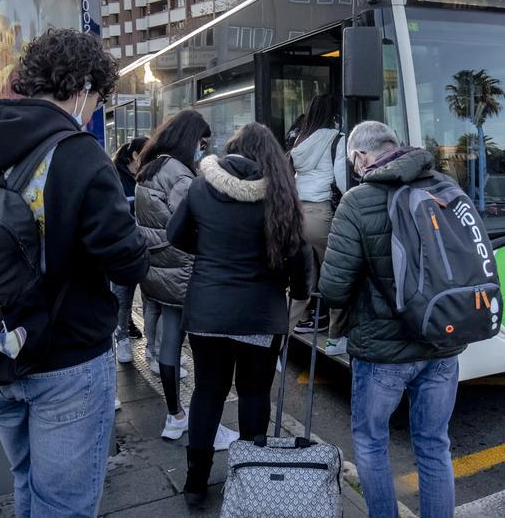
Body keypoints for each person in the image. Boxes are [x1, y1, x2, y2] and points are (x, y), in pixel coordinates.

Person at [0, 28, 149, 517]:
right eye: (96, 99)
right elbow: (126, 260)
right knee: (63, 505)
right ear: (83, 86)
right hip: (66, 364)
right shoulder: (80, 153)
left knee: (26, 483)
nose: (92, 111)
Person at [318, 121, 464, 518]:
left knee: (370, 443)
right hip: (442, 340)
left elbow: (332, 290)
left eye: (352, 160)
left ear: (362, 156)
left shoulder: (357, 201)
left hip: (382, 353)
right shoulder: (446, 187)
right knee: (434, 444)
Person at [167, 122, 311, 508]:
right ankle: (250, 477)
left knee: (208, 392)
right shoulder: (281, 194)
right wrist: (297, 295)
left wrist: (210, 249)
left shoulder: (202, 186)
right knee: (253, 393)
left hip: (207, 314)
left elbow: (174, 234)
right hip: (259, 316)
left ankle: (195, 484)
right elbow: (300, 257)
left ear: (233, 150)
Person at [134, 110, 237, 448]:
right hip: (183, 270)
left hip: (157, 270)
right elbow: (192, 222)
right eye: (201, 143)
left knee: (169, 344)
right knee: (205, 353)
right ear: (189, 139)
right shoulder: (179, 175)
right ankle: (207, 426)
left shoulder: (150, 168)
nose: (202, 150)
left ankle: (174, 416)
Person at [288, 95, 348, 356]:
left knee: (304, 279)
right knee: (337, 276)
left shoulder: (300, 140)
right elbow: (343, 180)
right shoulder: (336, 138)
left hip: (298, 213)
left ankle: (280, 335)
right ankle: (336, 337)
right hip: (322, 213)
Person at [112, 136, 148, 363]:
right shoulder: (115, 175)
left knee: (148, 295)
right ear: (134, 154)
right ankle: (121, 337)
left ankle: (132, 329)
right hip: (124, 245)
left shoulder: (145, 174)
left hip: (144, 243)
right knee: (122, 294)